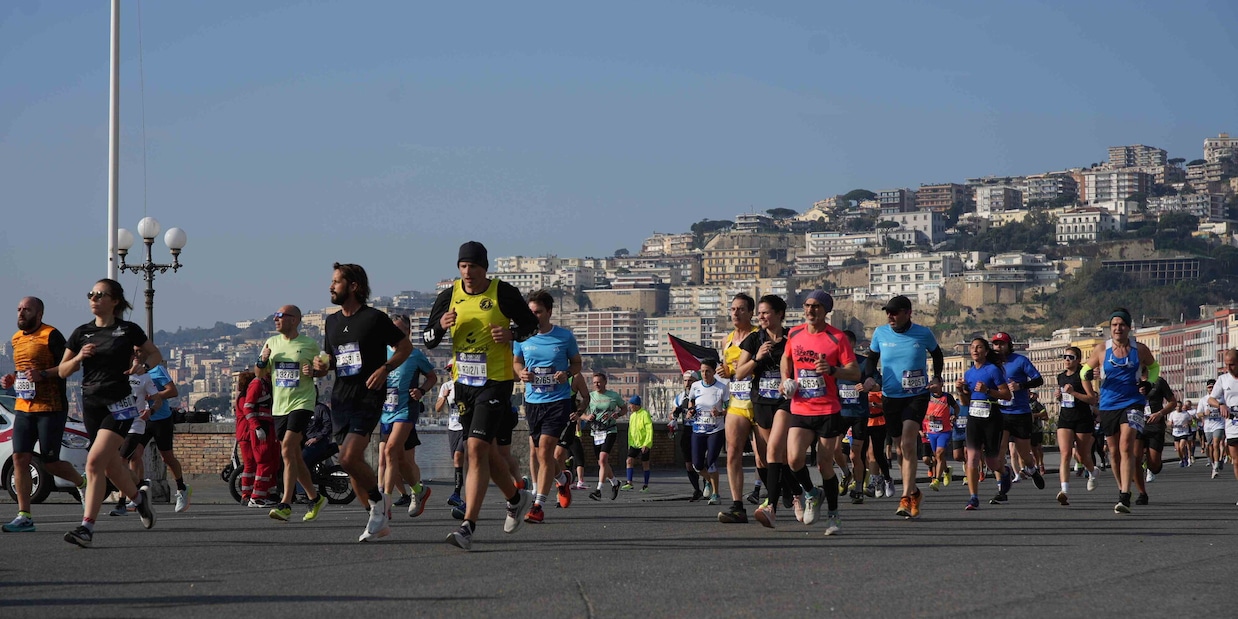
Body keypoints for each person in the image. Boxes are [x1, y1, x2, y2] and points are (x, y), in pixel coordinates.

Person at [423, 242, 538, 550]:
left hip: (496, 382)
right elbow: (427, 338)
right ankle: (516, 498)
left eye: (473, 266)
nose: (467, 272)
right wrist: (440, 326)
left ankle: (467, 526)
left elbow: (531, 324)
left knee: (475, 448)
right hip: (464, 384)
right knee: (484, 453)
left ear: (484, 268)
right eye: (462, 266)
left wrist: (512, 334)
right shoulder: (449, 296)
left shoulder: (503, 292)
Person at [60, 279, 163, 547]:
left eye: (100, 294)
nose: (93, 298)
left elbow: (155, 354)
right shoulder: (81, 333)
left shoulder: (128, 330)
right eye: (91, 293)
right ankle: (139, 500)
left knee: (94, 462)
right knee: (110, 466)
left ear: (114, 301)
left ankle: (86, 528)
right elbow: (63, 371)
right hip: (91, 405)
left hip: (120, 405)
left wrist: (142, 366)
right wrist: (79, 357)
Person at [317, 264, 412, 541]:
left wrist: (385, 369)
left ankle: (378, 501)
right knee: (349, 464)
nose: (331, 287)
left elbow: (405, 347)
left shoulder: (374, 318)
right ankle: (376, 514)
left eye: (336, 282)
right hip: (340, 399)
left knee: (348, 457)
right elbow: (332, 359)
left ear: (354, 286)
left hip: (368, 397)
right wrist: (321, 368)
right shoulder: (331, 321)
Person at [762, 290, 858, 534]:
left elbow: (855, 372)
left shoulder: (837, 338)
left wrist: (833, 370)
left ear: (826, 311)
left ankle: (834, 516)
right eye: (807, 305)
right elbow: (786, 359)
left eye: (816, 306)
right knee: (793, 460)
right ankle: (812, 493)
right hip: (801, 407)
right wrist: (785, 379)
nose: (810, 310)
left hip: (828, 409)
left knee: (825, 464)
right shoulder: (794, 333)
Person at [1, 297, 85, 533]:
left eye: (26, 309)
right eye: (18, 309)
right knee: (20, 458)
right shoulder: (16, 339)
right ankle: (24, 515)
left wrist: (44, 375)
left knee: (50, 462)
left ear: (39, 314)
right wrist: (10, 380)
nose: (20, 313)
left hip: (51, 407)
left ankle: (83, 483)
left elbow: (70, 367)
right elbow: (22, 373)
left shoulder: (52, 335)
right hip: (24, 408)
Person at [863, 295, 944, 519]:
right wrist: (870, 377)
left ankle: (906, 497)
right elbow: (871, 358)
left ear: (908, 312)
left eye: (895, 312)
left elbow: (937, 354)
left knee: (908, 442)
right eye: (888, 312)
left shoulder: (923, 333)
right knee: (900, 449)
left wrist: (937, 377)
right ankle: (915, 492)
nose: (891, 316)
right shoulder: (880, 333)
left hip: (916, 395)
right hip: (891, 396)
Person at [513, 289, 582, 522]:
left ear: (549, 312)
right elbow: (516, 361)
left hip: (558, 401)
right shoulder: (522, 337)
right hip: (533, 402)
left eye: (539, 312)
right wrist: (520, 373)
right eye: (531, 312)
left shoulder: (564, 336)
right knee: (542, 455)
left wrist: (568, 374)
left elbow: (577, 363)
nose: (535, 316)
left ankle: (538, 505)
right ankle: (562, 480)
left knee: (544, 451)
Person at [257, 305, 329, 523]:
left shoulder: (308, 344)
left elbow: (323, 369)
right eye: (275, 316)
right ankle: (315, 498)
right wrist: (262, 360)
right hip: (280, 406)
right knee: (294, 456)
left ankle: (285, 504)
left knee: (288, 448)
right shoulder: (271, 343)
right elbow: (260, 374)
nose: (276, 319)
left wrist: (315, 371)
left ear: (294, 320)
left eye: (280, 316)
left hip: (303, 402)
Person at [1086, 307, 1158, 514]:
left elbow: (1154, 368)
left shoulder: (1140, 349)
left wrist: (1149, 384)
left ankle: (1125, 495)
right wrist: (1090, 389)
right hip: (1108, 405)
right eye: (1114, 325)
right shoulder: (1101, 349)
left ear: (1128, 327)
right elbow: (1084, 371)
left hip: (1133, 402)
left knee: (1127, 445)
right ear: (1111, 328)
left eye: (1122, 325)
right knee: (1114, 452)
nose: (1118, 328)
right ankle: (1121, 488)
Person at [733, 294, 794, 522]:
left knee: (776, 450)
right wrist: (757, 359)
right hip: (761, 401)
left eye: (766, 312)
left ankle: (773, 502)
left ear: (779, 314)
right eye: (759, 313)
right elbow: (739, 373)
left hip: (785, 402)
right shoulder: (754, 339)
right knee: (768, 457)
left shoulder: (791, 339)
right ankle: (791, 489)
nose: (761, 317)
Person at [378, 314, 437, 517]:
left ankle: (385, 503)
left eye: (400, 330)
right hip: (386, 411)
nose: (396, 334)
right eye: (393, 330)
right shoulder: (382, 352)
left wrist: (421, 390)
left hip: (406, 410)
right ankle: (419, 491)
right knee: (400, 459)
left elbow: (432, 377)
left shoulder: (415, 354)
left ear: (408, 332)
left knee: (390, 451)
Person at [117, 355, 184, 513]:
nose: (135, 355)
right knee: (134, 455)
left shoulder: (157, 370)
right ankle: (137, 493)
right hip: (141, 420)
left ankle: (181, 488)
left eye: (139, 351)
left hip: (160, 419)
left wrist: (152, 396)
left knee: (167, 457)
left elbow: (173, 391)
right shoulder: (129, 374)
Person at [955, 338, 1013, 510]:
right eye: (972, 347)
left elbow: (1007, 395)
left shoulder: (993, 370)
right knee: (972, 458)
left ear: (986, 351)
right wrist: (960, 390)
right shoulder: (969, 373)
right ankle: (973, 498)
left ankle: (1005, 472)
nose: (975, 350)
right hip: (974, 417)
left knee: (992, 462)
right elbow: (965, 402)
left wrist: (988, 390)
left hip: (991, 417)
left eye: (979, 347)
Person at [719, 294, 761, 513]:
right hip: (737, 401)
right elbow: (729, 372)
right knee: (733, 451)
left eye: (741, 309)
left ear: (751, 312)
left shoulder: (759, 335)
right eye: (733, 309)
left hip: (759, 400)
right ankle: (737, 505)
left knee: (764, 456)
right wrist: (724, 372)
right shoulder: (726, 340)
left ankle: (775, 496)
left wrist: (735, 369)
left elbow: (762, 365)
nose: (736, 313)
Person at [990, 332, 1046, 494]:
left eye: (1002, 344)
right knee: (999, 452)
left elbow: (1039, 380)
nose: (998, 347)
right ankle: (1001, 489)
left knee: (1024, 454)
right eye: (996, 344)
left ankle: (1032, 469)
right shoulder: (991, 364)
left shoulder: (1020, 361)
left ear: (1009, 345)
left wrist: (1021, 386)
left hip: (1020, 412)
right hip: (1001, 413)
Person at [1054, 346, 1100, 506]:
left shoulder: (1083, 375)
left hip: (1082, 418)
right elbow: (1064, 399)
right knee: (1065, 453)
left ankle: (1093, 471)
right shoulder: (1060, 376)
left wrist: (1073, 393)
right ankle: (1064, 491)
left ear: (1078, 360)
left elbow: (1092, 399)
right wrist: (1059, 397)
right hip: (1065, 418)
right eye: (1065, 356)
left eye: (1071, 357)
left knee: (1082, 455)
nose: (1067, 360)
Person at [687, 360, 728, 506]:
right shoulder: (695, 386)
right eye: (702, 371)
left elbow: (729, 408)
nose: (704, 374)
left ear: (714, 372)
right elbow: (691, 402)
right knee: (697, 465)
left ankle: (716, 495)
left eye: (708, 371)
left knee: (711, 462)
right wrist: (690, 410)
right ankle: (710, 481)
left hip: (715, 430)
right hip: (698, 428)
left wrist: (720, 412)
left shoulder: (721, 387)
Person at [585, 372, 627, 501]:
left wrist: (618, 415)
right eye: (594, 382)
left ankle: (599, 490)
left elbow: (624, 408)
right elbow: (579, 413)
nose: (596, 384)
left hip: (610, 430)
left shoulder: (613, 396)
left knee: (603, 459)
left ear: (605, 382)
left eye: (599, 382)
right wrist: (587, 417)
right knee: (602, 462)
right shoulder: (590, 397)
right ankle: (615, 482)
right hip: (596, 432)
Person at [1137, 375, 1177, 493]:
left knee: (1154, 465)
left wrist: (1160, 414)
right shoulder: (1130, 379)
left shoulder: (1158, 381)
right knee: (1134, 458)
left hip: (1154, 425)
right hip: (1136, 423)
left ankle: (1150, 465)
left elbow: (1172, 402)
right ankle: (1140, 492)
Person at [1207, 350, 1238, 497]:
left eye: (1232, 364)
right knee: (1236, 461)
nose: (1229, 368)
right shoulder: (1223, 379)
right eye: (1226, 365)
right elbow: (1211, 399)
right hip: (1232, 425)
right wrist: (1220, 405)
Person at [669, 371, 704, 500]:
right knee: (688, 464)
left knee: (699, 463)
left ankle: (708, 484)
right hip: (686, 430)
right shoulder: (680, 397)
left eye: (690, 380)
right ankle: (697, 489)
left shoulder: (701, 395)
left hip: (700, 429)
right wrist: (674, 415)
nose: (687, 383)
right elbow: (672, 414)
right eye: (685, 381)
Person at [435, 369, 467, 506]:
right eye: (449, 371)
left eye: (453, 370)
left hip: (465, 426)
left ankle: (457, 492)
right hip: (452, 427)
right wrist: (443, 397)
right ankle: (458, 494)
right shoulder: (446, 386)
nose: (451, 373)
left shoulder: (466, 384)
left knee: (459, 456)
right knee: (456, 459)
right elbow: (437, 408)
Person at [924, 379, 956, 492]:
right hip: (931, 430)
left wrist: (954, 416)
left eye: (934, 384)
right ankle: (947, 470)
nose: (932, 386)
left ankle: (937, 480)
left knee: (939, 453)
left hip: (945, 430)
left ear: (941, 384)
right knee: (937, 457)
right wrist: (928, 417)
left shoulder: (947, 397)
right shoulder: (927, 397)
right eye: (931, 384)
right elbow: (922, 411)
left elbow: (956, 407)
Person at [233, 372, 259, 505]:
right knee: (249, 465)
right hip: (246, 434)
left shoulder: (241, 397)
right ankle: (246, 493)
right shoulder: (244, 398)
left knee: (251, 464)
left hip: (245, 434)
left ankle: (248, 491)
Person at [623, 396, 653, 492]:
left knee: (645, 464)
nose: (630, 407)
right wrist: (630, 443)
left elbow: (649, 430)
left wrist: (647, 444)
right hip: (634, 444)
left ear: (636, 405)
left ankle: (646, 485)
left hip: (644, 443)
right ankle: (629, 483)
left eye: (631, 404)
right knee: (629, 461)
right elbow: (630, 431)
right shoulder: (632, 416)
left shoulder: (645, 414)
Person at [1197, 379, 1224, 478]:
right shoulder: (1203, 400)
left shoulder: (1221, 398)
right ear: (1206, 388)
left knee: (1216, 444)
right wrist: (1204, 413)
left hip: (1219, 424)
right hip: (1208, 426)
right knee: (1210, 446)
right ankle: (1214, 464)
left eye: (1212, 387)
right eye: (1209, 387)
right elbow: (1198, 414)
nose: (1211, 389)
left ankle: (1216, 467)